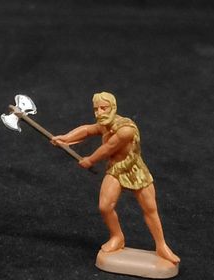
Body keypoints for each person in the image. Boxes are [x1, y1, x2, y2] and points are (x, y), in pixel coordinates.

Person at [51, 92, 180, 264]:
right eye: (96, 109)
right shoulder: (104, 124)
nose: (99, 113)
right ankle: (117, 237)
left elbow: (108, 148)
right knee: (105, 206)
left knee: (150, 208)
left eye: (103, 108)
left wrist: (90, 160)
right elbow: (88, 130)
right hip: (116, 169)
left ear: (113, 108)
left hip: (134, 170)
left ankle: (161, 245)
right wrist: (66, 138)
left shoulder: (126, 129)